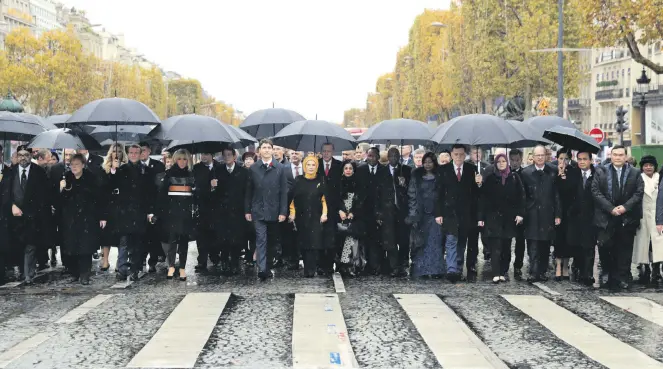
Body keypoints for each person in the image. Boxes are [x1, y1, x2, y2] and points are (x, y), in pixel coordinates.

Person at [592, 145, 643, 290]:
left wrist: (625, 207)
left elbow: (638, 193)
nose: (618, 157)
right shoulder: (601, 170)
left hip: (627, 217)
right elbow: (595, 192)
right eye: (615, 155)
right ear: (611, 156)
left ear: (626, 157)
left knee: (624, 249)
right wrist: (610, 208)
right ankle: (608, 274)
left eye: (621, 155)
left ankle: (623, 277)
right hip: (606, 217)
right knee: (606, 247)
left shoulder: (635, 173)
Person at [0, 145, 49, 285]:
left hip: (33, 218)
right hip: (15, 218)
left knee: (31, 245)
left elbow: (44, 196)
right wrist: (11, 206)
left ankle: (28, 274)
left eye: (26, 155)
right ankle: (23, 271)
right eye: (20, 155)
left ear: (30, 157)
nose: (23, 158)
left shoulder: (39, 172)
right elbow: (4, 194)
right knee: (18, 245)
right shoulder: (10, 172)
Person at [109, 144, 157, 281]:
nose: (134, 155)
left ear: (140, 154)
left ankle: (135, 269)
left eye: (136, 152)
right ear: (128, 154)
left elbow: (151, 193)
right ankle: (122, 268)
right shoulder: (122, 169)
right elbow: (112, 185)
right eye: (131, 152)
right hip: (125, 211)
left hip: (140, 211)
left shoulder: (147, 171)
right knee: (124, 242)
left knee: (138, 243)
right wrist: (114, 169)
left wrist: (150, 211)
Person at [436, 144, 482, 282]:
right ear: (451, 155)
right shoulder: (443, 170)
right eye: (456, 154)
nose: (459, 157)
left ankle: (458, 267)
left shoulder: (471, 169)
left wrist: (479, 184)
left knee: (461, 242)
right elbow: (438, 193)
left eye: (461, 154)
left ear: (465, 155)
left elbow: (476, 194)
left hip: (465, 213)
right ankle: (451, 269)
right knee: (451, 241)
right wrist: (438, 213)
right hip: (449, 212)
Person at [58, 154, 106, 285]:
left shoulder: (91, 178)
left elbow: (99, 198)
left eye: (77, 164)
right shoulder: (66, 177)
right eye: (72, 164)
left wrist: (102, 216)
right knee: (71, 246)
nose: (74, 167)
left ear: (83, 165)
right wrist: (62, 188)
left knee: (86, 247)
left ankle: (85, 274)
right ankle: (74, 272)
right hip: (70, 218)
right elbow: (61, 200)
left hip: (87, 217)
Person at [477, 153, 525, 283]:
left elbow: (521, 197)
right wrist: (481, 217)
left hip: (509, 218)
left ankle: (503, 270)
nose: (501, 163)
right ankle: (496, 272)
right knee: (495, 246)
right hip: (493, 217)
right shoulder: (491, 178)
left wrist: (520, 214)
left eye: (504, 161)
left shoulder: (514, 177)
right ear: (495, 164)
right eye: (499, 162)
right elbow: (483, 198)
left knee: (506, 246)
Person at [245, 139, 288, 281]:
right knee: (261, 239)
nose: (267, 150)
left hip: (274, 210)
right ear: (259, 151)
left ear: (272, 150)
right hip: (258, 210)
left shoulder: (280, 168)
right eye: (264, 147)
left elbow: (283, 191)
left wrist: (283, 212)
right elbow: (249, 191)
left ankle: (268, 266)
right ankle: (262, 268)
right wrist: (247, 210)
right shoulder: (254, 168)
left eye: (269, 147)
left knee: (272, 241)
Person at [520, 145, 561, 282]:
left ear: (546, 156)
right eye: (537, 155)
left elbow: (557, 195)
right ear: (532, 156)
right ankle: (533, 271)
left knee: (545, 244)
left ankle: (542, 271)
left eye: (542, 155)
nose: (539, 158)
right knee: (532, 244)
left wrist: (557, 214)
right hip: (531, 213)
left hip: (548, 213)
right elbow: (523, 195)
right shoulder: (526, 173)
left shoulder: (553, 171)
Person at [155, 149, 195, 281]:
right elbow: (161, 196)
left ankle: (182, 267)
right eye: (179, 159)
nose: (182, 162)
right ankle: (171, 265)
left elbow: (195, 196)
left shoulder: (191, 176)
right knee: (172, 241)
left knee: (183, 241)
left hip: (186, 213)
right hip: (171, 213)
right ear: (175, 160)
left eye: (185, 159)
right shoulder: (168, 175)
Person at [288, 155, 329, 277]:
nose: (311, 167)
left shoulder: (321, 180)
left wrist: (324, 213)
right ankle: (308, 268)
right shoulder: (298, 180)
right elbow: (292, 199)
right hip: (301, 216)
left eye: (313, 165)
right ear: (304, 166)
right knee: (304, 243)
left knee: (314, 242)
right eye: (308, 165)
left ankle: (312, 269)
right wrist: (292, 213)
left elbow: (324, 199)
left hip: (316, 216)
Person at [407, 152, 444, 278]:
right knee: (421, 243)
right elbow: (412, 195)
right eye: (425, 162)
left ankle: (435, 270)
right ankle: (421, 270)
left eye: (430, 162)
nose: (427, 165)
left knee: (434, 242)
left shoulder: (439, 176)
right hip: (421, 214)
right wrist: (413, 214)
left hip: (435, 214)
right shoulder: (416, 176)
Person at [565, 151, 597, 286]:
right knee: (577, 245)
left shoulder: (597, 174)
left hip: (591, 216)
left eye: (585, 159)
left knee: (589, 246)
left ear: (590, 160)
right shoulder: (572, 174)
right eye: (579, 159)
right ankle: (577, 267)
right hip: (575, 216)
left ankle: (587, 274)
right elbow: (566, 192)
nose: (582, 161)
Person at [217, 147, 249, 275]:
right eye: (225, 155)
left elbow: (246, 192)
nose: (227, 157)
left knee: (236, 238)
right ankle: (224, 261)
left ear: (235, 156)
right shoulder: (217, 171)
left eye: (229, 155)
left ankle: (235, 262)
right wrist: (213, 187)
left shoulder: (243, 172)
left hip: (237, 210)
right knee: (223, 238)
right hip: (222, 211)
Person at [632, 155, 662, 285]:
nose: (648, 167)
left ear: (655, 166)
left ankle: (656, 269)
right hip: (643, 216)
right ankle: (645, 268)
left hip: (657, 216)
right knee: (643, 244)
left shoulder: (659, 179)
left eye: (651, 165)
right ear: (642, 167)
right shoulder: (638, 179)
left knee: (657, 245)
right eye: (645, 165)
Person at [99, 143, 127, 271]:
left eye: (120, 151)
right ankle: (105, 260)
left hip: (121, 202)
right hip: (109, 203)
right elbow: (104, 186)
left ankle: (119, 262)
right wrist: (113, 171)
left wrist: (119, 170)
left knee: (121, 233)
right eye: (114, 151)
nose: (117, 154)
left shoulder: (126, 167)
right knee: (107, 233)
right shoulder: (104, 168)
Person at [193, 151, 222, 272]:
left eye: (206, 154)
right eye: (201, 155)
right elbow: (196, 187)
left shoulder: (219, 167)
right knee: (201, 236)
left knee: (215, 234)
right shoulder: (197, 168)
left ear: (212, 155)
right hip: (203, 206)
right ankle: (202, 261)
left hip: (217, 207)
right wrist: (208, 186)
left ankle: (215, 256)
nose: (203, 157)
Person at [139, 141, 165, 272]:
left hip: (155, 204)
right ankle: (140, 260)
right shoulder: (134, 166)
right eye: (140, 150)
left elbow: (161, 187)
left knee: (154, 235)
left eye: (144, 150)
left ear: (149, 151)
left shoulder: (158, 166)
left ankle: (153, 261)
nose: (142, 153)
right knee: (141, 235)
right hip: (139, 205)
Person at [387, 147, 412, 277]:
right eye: (391, 156)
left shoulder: (406, 170)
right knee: (391, 240)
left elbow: (411, 191)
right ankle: (393, 266)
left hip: (402, 211)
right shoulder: (383, 170)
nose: (393, 159)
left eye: (396, 156)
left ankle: (403, 264)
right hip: (389, 212)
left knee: (403, 240)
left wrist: (404, 184)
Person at [317, 143, 342, 275]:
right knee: (320, 236)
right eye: (324, 151)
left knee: (333, 237)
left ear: (333, 152)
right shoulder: (315, 164)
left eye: (328, 151)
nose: (326, 153)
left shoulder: (339, 165)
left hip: (334, 207)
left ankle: (330, 263)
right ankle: (321, 264)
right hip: (318, 207)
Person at [337, 160, 362, 276]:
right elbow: (335, 199)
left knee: (352, 241)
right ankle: (342, 265)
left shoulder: (358, 183)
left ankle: (352, 265)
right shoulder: (338, 182)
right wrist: (340, 210)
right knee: (341, 241)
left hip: (354, 216)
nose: (348, 170)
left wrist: (353, 212)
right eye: (346, 168)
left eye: (350, 168)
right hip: (341, 215)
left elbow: (361, 200)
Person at [553, 149, 575, 281]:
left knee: (568, 240)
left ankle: (566, 266)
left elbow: (572, 190)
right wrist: (559, 176)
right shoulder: (553, 171)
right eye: (561, 158)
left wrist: (565, 177)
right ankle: (558, 266)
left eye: (566, 159)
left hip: (569, 211)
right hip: (557, 210)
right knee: (558, 240)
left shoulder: (573, 171)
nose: (563, 161)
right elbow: (553, 190)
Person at [282, 150, 303, 270]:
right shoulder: (283, 169)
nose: (294, 155)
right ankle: (291, 260)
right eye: (293, 153)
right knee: (289, 235)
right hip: (288, 206)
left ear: (302, 155)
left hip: (304, 207)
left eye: (297, 153)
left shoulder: (307, 167)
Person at [508, 149, 526, 280]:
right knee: (506, 241)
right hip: (507, 213)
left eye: (517, 160)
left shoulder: (525, 174)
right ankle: (504, 265)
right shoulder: (504, 172)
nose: (514, 163)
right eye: (512, 160)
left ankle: (518, 265)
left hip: (520, 213)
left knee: (520, 241)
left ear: (521, 160)